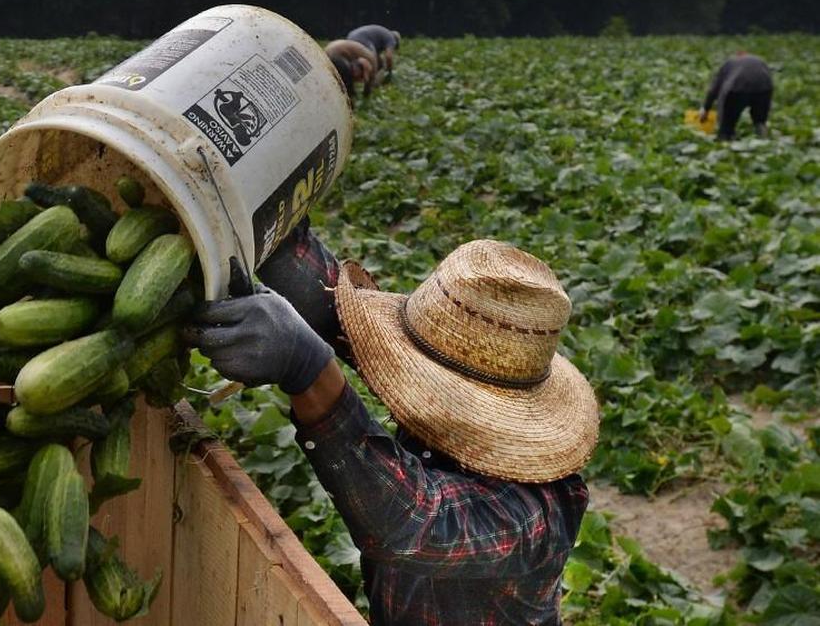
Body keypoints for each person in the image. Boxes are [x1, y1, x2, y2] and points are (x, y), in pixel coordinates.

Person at [184, 223, 600, 624]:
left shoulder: (536, 514)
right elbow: (341, 319)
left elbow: (413, 519)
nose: (410, 384)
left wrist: (308, 369)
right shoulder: (442, 414)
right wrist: (269, 229)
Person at [700, 51, 773, 140]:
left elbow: (715, 87)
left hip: (737, 87)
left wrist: (706, 108)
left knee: (727, 124)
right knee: (760, 121)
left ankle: (726, 138)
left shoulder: (730, 62)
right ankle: (763, 140)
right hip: (764, 87)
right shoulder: (759, 60)